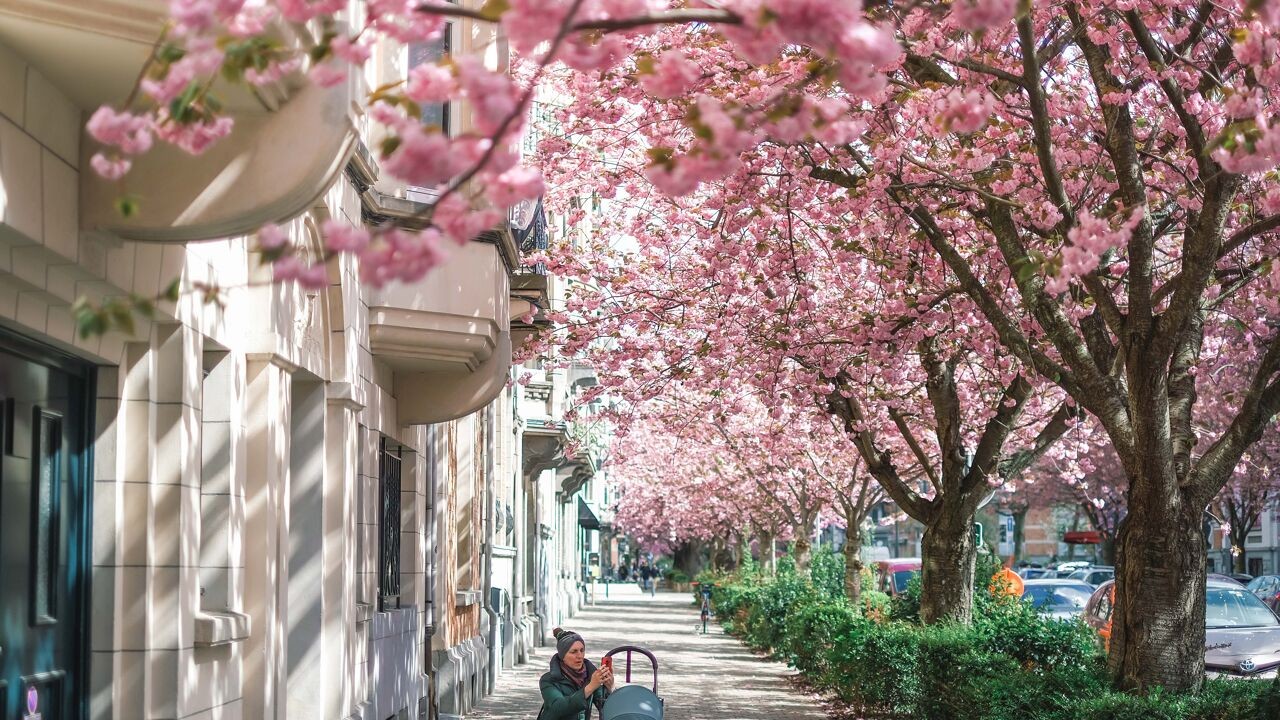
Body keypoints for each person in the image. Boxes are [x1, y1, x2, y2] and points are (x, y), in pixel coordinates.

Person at [538, 627, 613, 720]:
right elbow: (558, 708)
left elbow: (605, 708)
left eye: (582, 650)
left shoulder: (590, 675)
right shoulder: (548, 679)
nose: (580, 656)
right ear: (563, 656)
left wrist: (609, 688)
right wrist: (590, 687)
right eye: (574, 652)